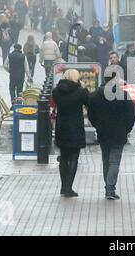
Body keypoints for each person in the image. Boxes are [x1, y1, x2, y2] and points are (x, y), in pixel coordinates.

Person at [88, 71, 135, 200]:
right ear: (114, 79)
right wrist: (127, 129)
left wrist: (97, 126)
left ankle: (108, 186)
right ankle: (110, 189)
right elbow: (131, 115)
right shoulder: (124, 95)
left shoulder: (94, 95)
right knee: (114, 161)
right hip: (119, 133)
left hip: (103, 132)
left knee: (106, 160)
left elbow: (91, 114)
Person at [53, 69, 90, 197]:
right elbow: (89, 102)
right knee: (74, 157)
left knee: (63, 157)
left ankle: (63, 187)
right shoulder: (80, 91)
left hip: (61, 126)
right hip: (75, 127)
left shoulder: (57, 91)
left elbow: (55, 102)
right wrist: (84, 88)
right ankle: (69, 188)